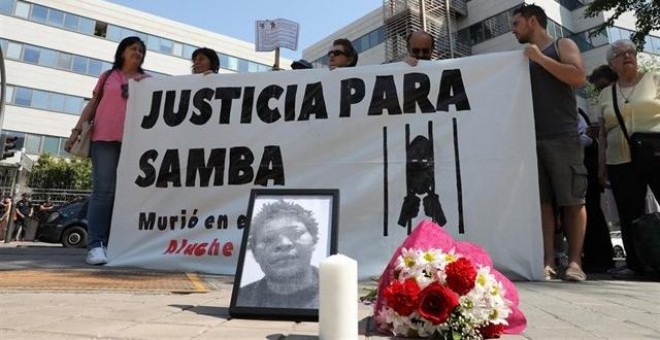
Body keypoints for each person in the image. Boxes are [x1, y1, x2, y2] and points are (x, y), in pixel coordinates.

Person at [511, 3, 588, 281]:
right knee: (542, 204)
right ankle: (548, 261)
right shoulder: (520, 58)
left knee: (572, 200)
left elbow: (578, 76)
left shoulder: (561, 44)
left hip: (564, 135)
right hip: (531, 139)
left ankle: (575, 262)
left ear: (532, 21)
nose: (513, 30)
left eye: (516, 24)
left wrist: (540, 59)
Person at [65, 36, 149, 265]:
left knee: (126, 195)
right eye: (133, 49)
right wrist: (75, 131)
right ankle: (95, 246)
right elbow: (92, 106)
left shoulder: (147, 81)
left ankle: (117, 244)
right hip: (103, 140)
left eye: (141, 51)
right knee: (104, 192)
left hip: (134, 144)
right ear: (122, 52)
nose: (138, 53)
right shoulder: (107, 77)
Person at [596, 39, 660, 278]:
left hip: (655, 152)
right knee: (628, 213)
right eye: (620, 53)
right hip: (619, 160)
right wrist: (601, 166)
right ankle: (636, 263)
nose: (627, 56)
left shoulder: (654, 79)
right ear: (611, 63)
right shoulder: (605, 93)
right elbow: (602, 132)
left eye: (631, 51)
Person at [236, 200, 320, 309]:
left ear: (313, 241)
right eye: (268, 239)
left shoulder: (345, 292)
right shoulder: (241, 299)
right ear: (254, 253)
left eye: (296, 233)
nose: (284, 244)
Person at [578, 107, 615, 273]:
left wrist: (585, 137)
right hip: (586, 169)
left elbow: (587, 140)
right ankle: (596, 257)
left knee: (591, 213)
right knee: (592, 214)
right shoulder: (578, 110)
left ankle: (600, 258)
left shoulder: (577, 110)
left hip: (586, 170)